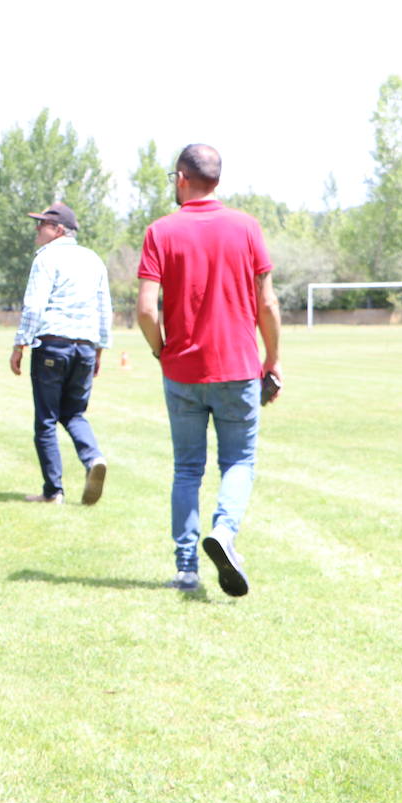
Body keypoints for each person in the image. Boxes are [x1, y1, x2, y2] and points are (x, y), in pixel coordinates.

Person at [135, 143, 282, 596]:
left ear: (181, 179)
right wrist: (271, 361)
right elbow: (268, 304)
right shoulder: (247, 228)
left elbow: (144, 309)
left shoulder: (160, 232)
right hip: (239, 367)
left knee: (187, 469)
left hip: (183, 371)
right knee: (238, 460)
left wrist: (162, 352)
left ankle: (185, 566)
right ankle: (225, 531)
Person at [9, 202, 112, 506]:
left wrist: (19, 344)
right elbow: (105, 308)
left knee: (46, 419)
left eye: (42, 224)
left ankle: (53, 491)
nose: (36, 229)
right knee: (74, 413)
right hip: (85, 347)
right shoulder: (94, 260)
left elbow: (35, 305)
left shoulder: (46, 258)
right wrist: (100, 349)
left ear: (59, 230)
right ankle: (93, 458)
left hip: (53, 343)